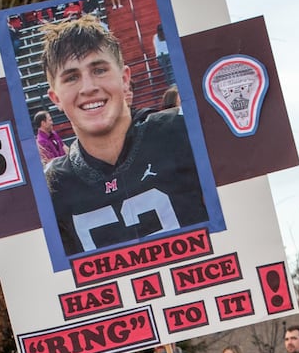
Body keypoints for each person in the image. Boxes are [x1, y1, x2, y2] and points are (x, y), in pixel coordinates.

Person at [40, 15, 209, 255]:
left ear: (124, 78)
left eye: (99, 70)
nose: (88, 87)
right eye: (72, 77)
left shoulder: (184, 130)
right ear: (55, 98)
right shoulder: (51, 186)